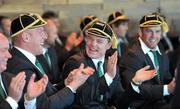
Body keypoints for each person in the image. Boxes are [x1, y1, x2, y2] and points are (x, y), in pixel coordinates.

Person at [6, 13, 94, 109]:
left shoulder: (26, 59)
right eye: (40, 32)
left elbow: (45, 91)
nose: (44, 37)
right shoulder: (19, 66)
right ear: (26, 37)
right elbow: (44, 105)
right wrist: (73, 86)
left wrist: (66, 83)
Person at [63, 21, 158, 109]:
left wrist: (135, 82)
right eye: (90, 39)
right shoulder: (75, 62)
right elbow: (81, 99)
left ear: (108, 45)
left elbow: (120, 102)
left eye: (99, 41)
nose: (93, 44)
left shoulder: (110, 65)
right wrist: (108, 77)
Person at [120, 13, 175, 109]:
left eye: (157, 31)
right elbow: (138, 90)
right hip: (142, 105)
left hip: (161, 102)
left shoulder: (160, 50)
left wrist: (176, 83)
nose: (154, 36)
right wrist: (167, 89)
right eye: (149, 31)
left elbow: (167, 78)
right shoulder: (131, 55)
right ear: (140, 32)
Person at [0, 33, 48, 109]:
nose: (9, 55)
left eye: (8, 50)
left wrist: (29, 100)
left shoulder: (12, 79)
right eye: (3, 50)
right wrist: (12, 100)